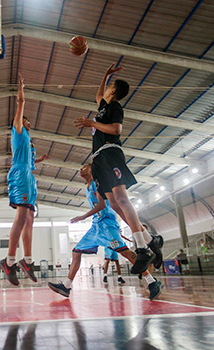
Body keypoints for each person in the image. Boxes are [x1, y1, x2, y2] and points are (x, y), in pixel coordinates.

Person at [73, 64, 163, 275]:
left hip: (110, 152)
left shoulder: (115, 108)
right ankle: (152, 241)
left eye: (109, 86)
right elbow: (98, 95)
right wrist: (105, 74)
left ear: (113, 91)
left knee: (122, 199)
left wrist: (89, 123)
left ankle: (142, 247)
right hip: (98, 159)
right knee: (113, 203)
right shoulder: (103, 107)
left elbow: (116, 129)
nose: (104, 90)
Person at [48, 164, 163, 300]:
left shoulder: (98, 183)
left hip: (108, 225)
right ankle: (67, 286)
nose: (81, 169)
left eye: (85, 167)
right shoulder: (88, 187)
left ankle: (152, 282)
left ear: (92, 170)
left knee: (125, 252)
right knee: (76, 251)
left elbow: (102, 205)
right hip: (96, 226)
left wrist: (83, 216)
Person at [0, 73, 50, 286]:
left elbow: (28, 160)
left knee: (30, 218)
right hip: (20, 174)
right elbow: (20, 102)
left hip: (29, 175)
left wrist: (38, 159)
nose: (28, 121)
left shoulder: (29, 141)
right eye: (25, 119)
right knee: (21, 217)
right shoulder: (18, 130)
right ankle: (9, 260)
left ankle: (27, 260)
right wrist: (21, 89)